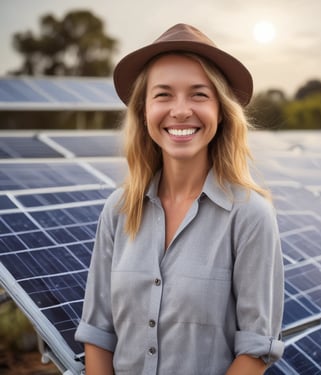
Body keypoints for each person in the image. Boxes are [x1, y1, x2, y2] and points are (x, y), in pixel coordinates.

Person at [75, 23, 284, 375]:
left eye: (199, 94)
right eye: (163, 95)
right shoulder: (118, 211)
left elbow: (255, 349)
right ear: (144, 111)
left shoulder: (250, 216)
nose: (181, 110)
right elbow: (98, 333)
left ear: (221, 110)